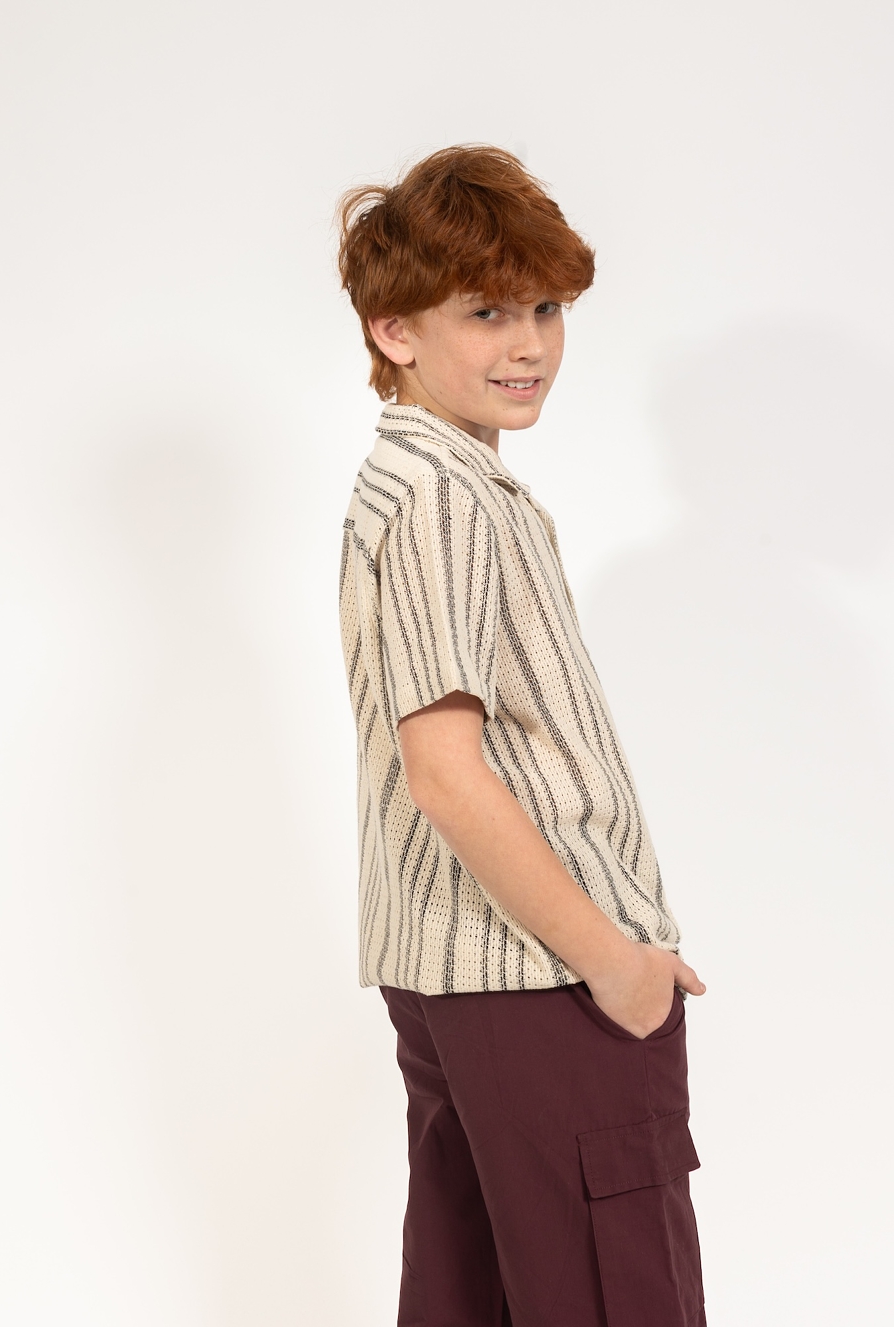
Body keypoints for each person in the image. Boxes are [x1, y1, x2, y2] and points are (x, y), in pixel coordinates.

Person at [336, 144, 707, 1327]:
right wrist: (615, 961)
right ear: (396, 329)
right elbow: (446, 775)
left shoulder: (413, 483)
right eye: (486, 312)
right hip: (543, 975)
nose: (529, 343)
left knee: (472, 1295)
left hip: (454, 970)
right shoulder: (446, 498)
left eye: (546, 308)